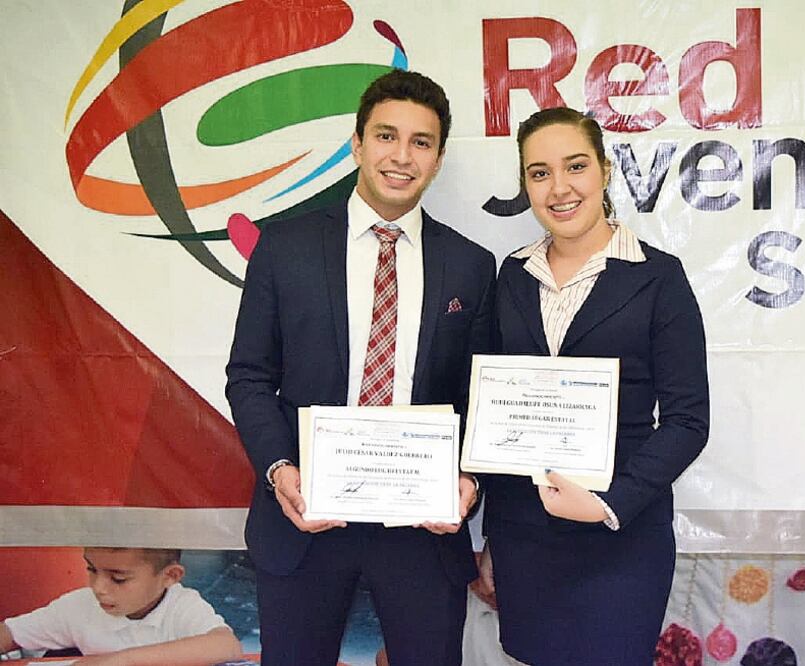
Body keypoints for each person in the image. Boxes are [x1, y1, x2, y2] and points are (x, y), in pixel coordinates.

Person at [225, 69, 496, 666]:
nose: (401, 156)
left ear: (439, 157)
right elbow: (248, 374)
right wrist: (278, 470)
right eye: (386, 136)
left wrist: (470, 483)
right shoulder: (283, 247)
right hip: (306, 519)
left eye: (421, 142)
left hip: (423, 531)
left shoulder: (471, 265)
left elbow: (482, 399)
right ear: (357, 143)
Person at [477, 106, 710, 665]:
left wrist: (609, 504)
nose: (559, 188)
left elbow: (687, 421)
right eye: (539, 173)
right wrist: (488, 534)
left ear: (604, 171)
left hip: (621, 537)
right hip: (523, 538)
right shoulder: (510, 274)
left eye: (575, 166)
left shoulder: (659, 276)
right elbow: (493, 409)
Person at [0, 547, 240, 665]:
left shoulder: (181, 606)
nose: (99, 587)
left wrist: (118, 661)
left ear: (170, 576)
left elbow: (227, 646)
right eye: (92, 569)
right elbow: (10, 633)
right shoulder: (80, 605)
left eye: (118, 578)